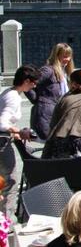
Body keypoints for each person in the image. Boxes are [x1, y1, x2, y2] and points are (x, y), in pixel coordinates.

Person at [0, 65, 38, 214]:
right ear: (27, 81)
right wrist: (20, 132)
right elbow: (2, 123)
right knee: (10, 181)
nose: (35, 85)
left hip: (4, 139)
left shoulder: (8, 92)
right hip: (2, 143)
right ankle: (6, 222)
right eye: (34, 82)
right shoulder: (14, 97)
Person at [25, 42, 74, 140]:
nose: (67, 59)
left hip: (57, 112)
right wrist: (36, 99)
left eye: (69, 56)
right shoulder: (48, 70)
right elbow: (28, 83)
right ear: (56, 56)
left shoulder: (63, 71)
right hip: (46, 113)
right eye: (64, 56)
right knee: (50, 143)